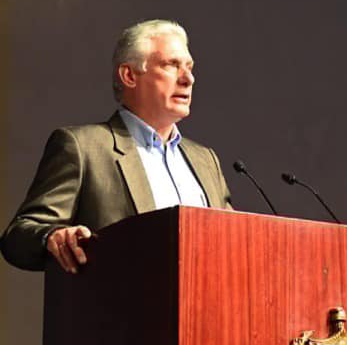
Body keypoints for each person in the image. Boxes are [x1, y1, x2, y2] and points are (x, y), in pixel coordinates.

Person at [0, 19, 232, 273]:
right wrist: (52, 236)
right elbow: (18, 237)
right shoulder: (83, 148)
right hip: (121, 308)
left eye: (189, 67)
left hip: (206, 309)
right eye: (171, 65)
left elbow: (235, 243)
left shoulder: (205, 160)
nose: (188, 79)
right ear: (129, 75)